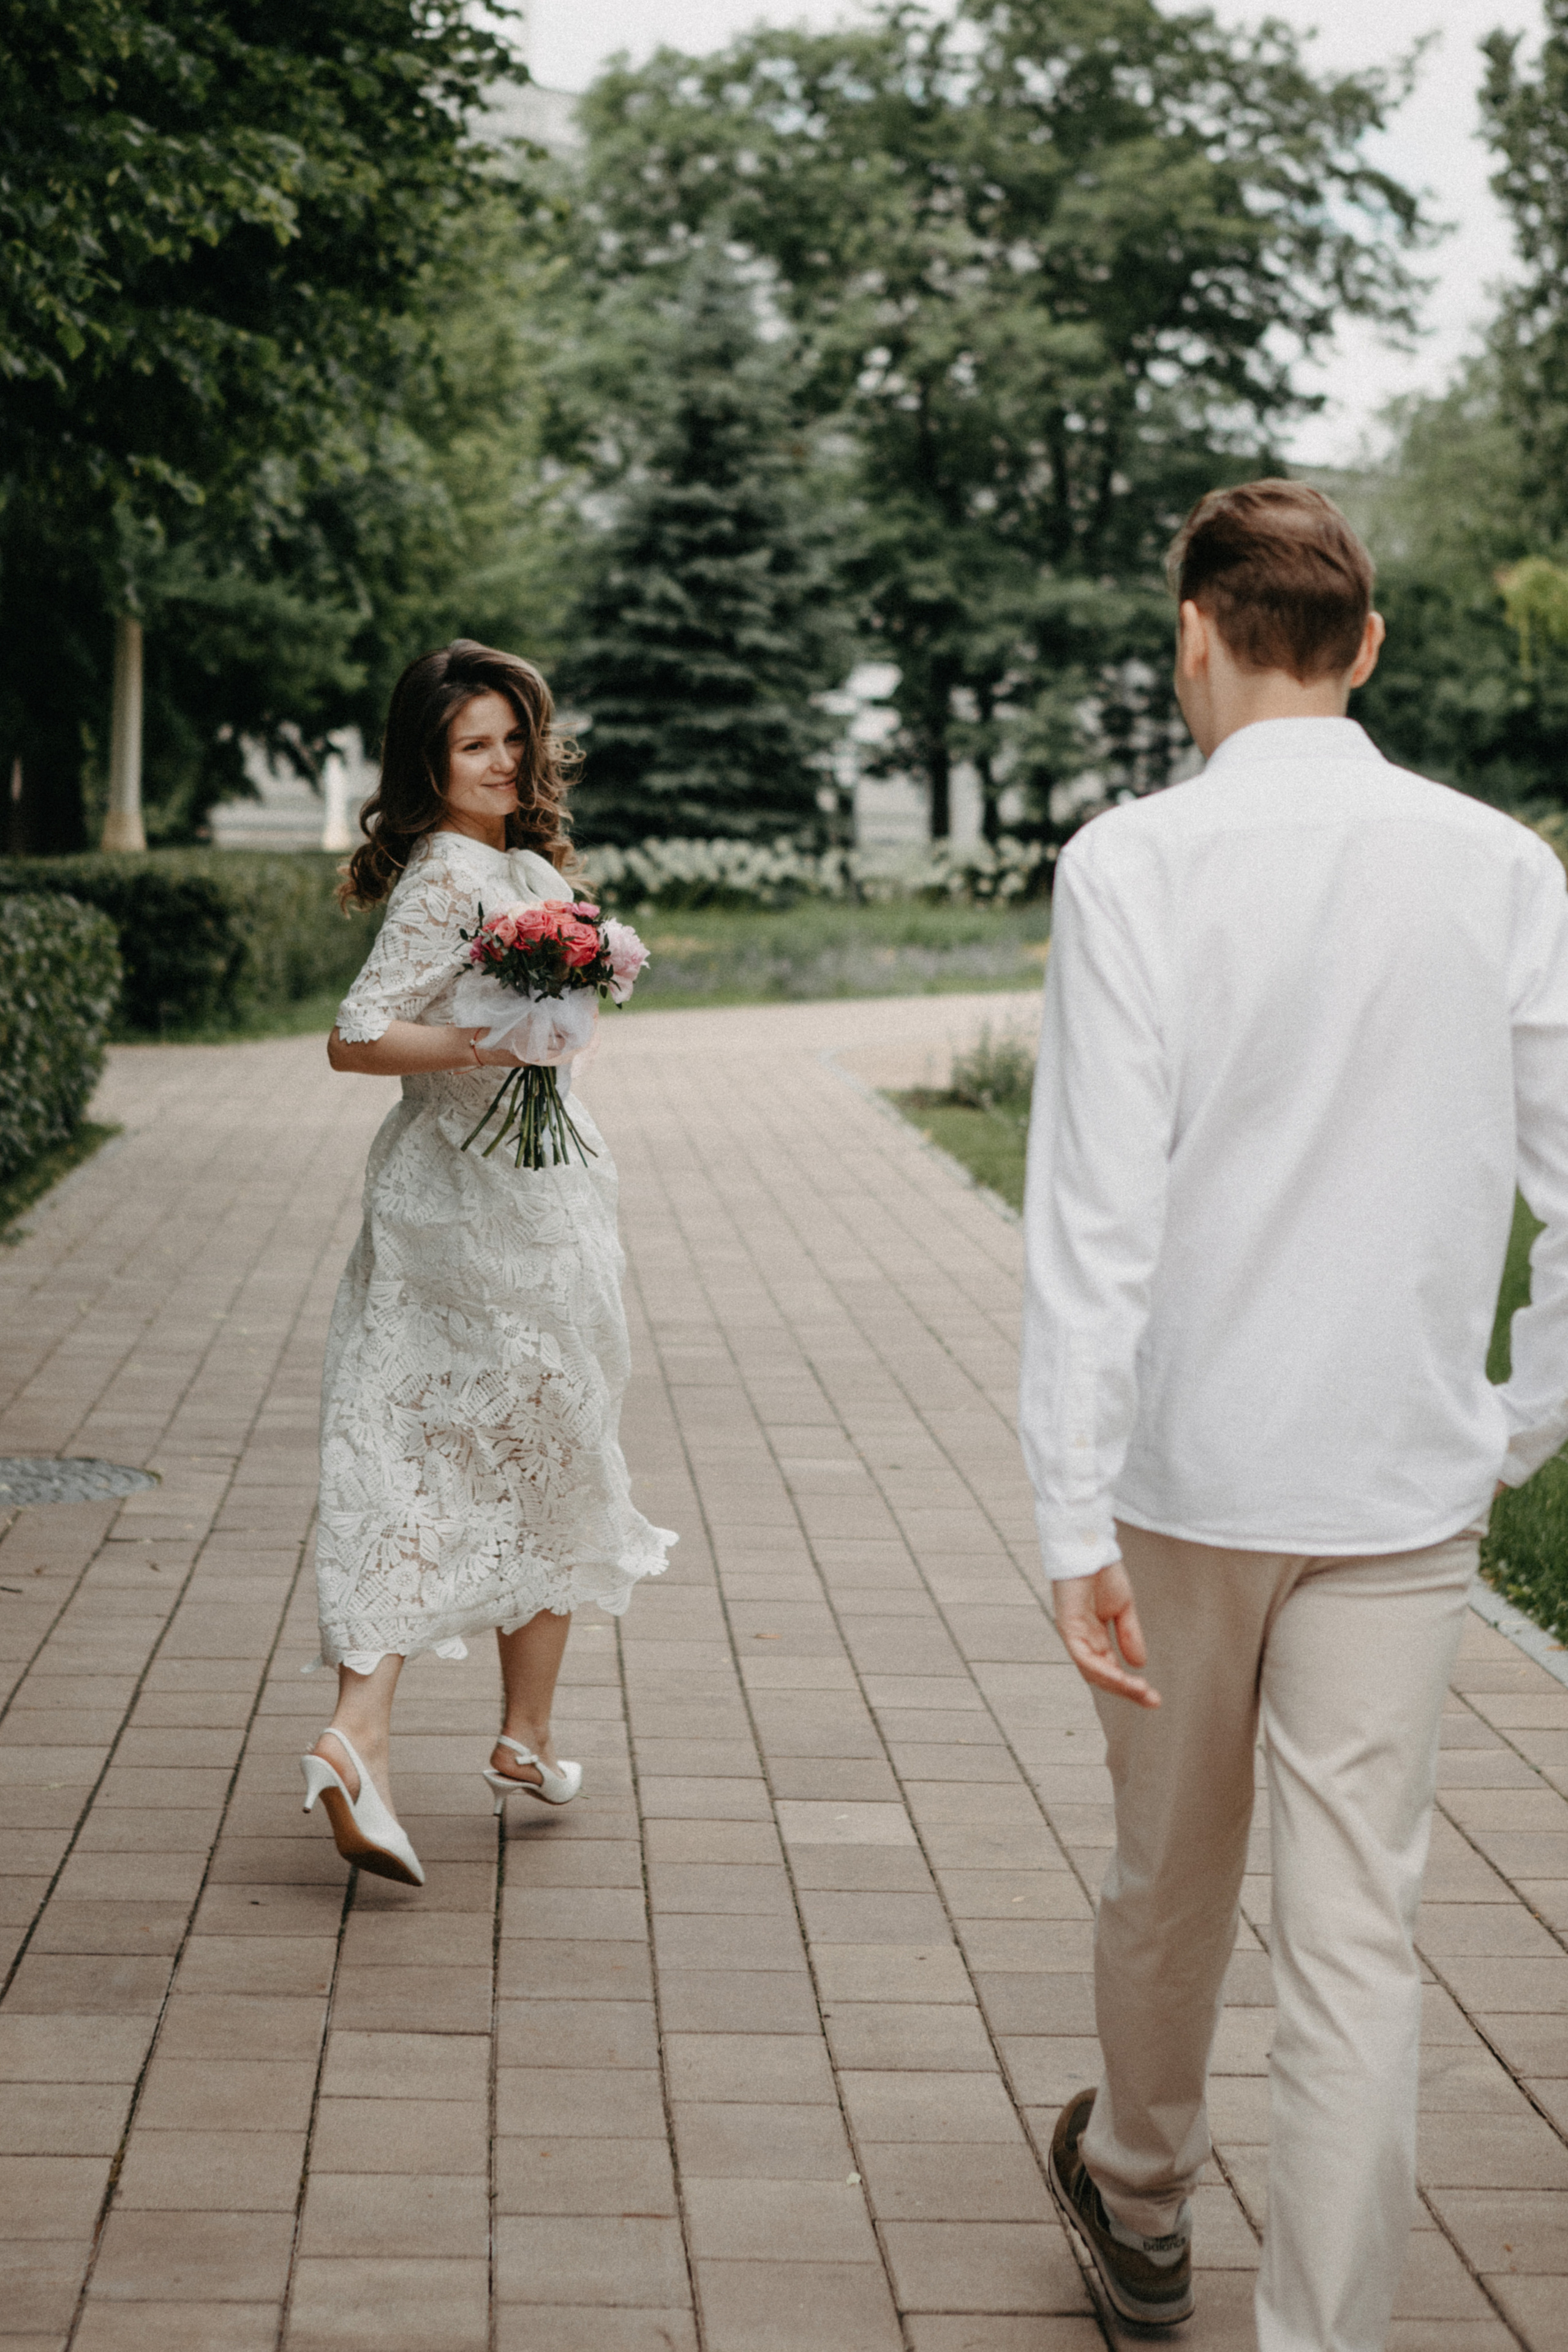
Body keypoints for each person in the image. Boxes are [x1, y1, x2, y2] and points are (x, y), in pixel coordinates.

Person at [1019, 481, 1568, 2347]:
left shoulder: (1132, 863)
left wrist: (1068, 1518)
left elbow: (1095, 1219)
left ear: (1196, 630)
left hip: (1191, 1475)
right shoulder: (1502, 866)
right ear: (1370, 646)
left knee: (1170, 1871)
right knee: (1360, 1944)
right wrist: (1516, 1424)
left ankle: (1145, 2191)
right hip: (1404, 1483)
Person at [300, 640, 675, 1887]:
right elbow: (356, 1037)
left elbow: (533, 1036)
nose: (503, 760)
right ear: (428, 762)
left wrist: (540, 1024)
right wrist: (485, 1045)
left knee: (483, 1448)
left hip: (525, 1205)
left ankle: (501, 1738)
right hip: (472, 1215)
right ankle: (377, 1737)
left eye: (513, 737)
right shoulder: (448, 875)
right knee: (488, 1449)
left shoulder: (518, 867)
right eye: (475, 745)